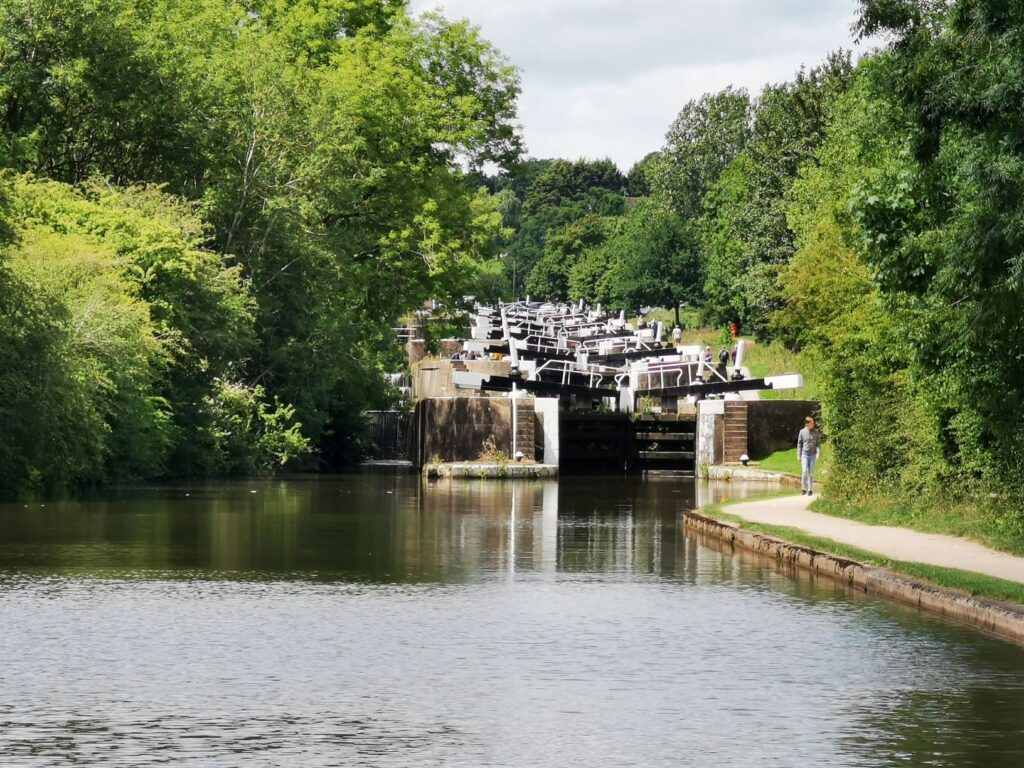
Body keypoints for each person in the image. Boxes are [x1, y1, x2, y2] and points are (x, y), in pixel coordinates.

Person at [796, 416, 822, 496]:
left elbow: (818, 444)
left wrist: (818, 453)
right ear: (807, 424)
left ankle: (810, 489)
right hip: (804, 455)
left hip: (812, 455)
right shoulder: (802, 432)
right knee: (804, 471)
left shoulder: (816, 432)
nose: (813, 424)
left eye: (813, 422)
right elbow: (799, 444)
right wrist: (798, 455)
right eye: (812, 423)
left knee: (810, 472)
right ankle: (804, 488)